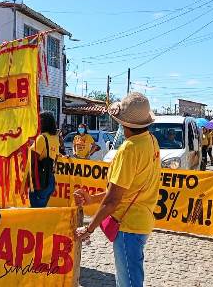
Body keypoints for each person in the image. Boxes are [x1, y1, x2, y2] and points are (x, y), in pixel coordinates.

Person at [74, 92, 160, 287]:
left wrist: (88, 229)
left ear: (123, 123)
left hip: (127, 225)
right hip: (142, 220)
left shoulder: (129, 149)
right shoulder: (151, 142)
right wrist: (92, 199)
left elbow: (113, 200)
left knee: (129, 282)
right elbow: (124, 190)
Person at [29, 111, 60, 208]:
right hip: (50, 180)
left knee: (36, 213)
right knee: (42, 209)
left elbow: (33, 158)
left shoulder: (42, 138)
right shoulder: (55, 138)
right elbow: (56, 156)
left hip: (40, 179)